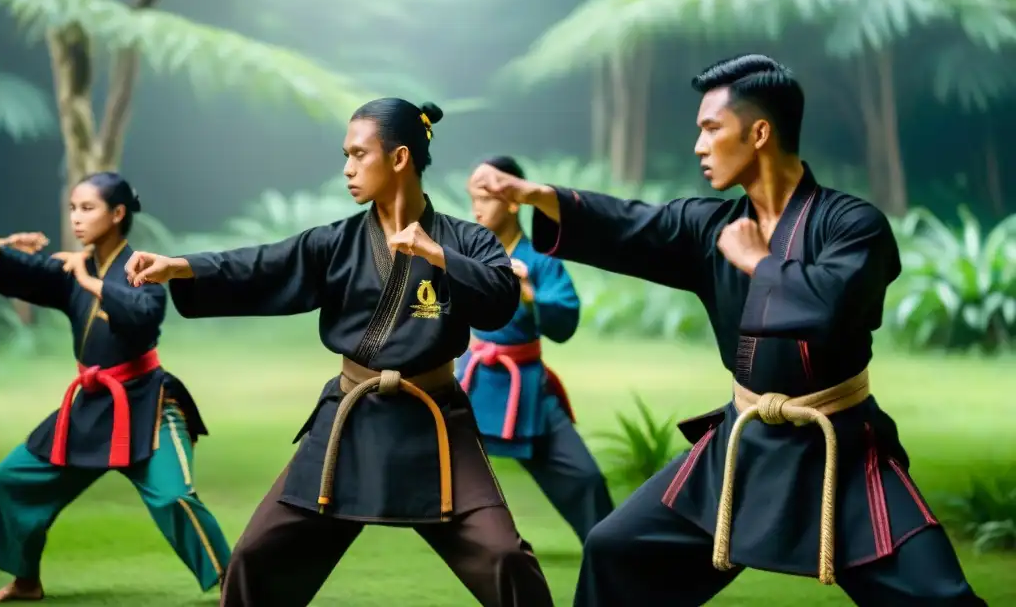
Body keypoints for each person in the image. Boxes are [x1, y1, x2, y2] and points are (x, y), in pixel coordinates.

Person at [469, 55, 986, 606]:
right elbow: (629, 224)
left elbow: (834, 307)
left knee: (939, 597)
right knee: (616, 550)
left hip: (841, 450)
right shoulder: (710, 226)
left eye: (711, 128)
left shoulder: (854, 225)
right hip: (744, 449)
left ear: (759, 132)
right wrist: (530, 194)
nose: (699, 145)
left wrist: (759, 263)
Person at [123, 99, 555, 607]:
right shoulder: (337, 243)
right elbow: (265, 266)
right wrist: (183, 267)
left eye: (358, 154)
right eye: (345, 155)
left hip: (435, 421)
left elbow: (500, 298)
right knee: (255, 559)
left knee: (504, 557)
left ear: (398, 159)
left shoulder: (467, 240)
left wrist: (440, 256)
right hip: (349, 423)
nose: (347, 169)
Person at [0, 172, 229, 605]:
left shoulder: (142, 266)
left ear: (117, 214)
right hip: (91, 407)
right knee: (10, 479)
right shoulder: (73, 269)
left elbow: (142, 315)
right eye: (72, 209)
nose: (76, 219)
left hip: (147, 403)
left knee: (174, 497)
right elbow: (19, 272)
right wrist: (2, 247)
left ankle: (234, 582)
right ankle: (25, 579)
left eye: (87, 208)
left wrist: (88, 281)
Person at [459, 155, 613, 544]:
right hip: (471, 382)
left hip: (524, 387)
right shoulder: (465, 255)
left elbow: (564, 318)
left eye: (486, 197)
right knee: (430, 460)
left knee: (585, 478)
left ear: (513, 201)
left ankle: (613, 550)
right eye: (472, 198)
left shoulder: (541, 261)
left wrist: (528, 294)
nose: (477, 208)